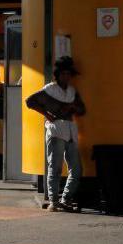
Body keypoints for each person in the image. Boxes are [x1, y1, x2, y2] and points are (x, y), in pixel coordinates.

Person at [25, 56, 85, 212]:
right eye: (63, 74)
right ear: (57, 75)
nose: (66, 77)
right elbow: (29, 101)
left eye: (68, 74)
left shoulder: (72, 91)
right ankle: (54, 201)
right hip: (56, 130)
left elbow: (82, 110)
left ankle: (65, 199)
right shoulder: (49, 89)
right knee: (55, 167)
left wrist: (73, 106)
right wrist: (47, 114)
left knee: (77, 169)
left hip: (71, 131)